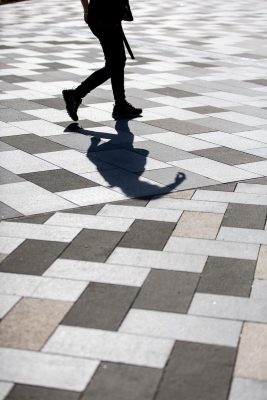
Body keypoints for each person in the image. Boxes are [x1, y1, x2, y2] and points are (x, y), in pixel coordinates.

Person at [62, 0, 142, 121]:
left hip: (103, 15)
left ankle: (120, 104)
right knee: (115, 63)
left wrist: (86, 10)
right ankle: (76, 94)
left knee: (117, 61)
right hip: (106, 17)